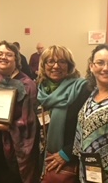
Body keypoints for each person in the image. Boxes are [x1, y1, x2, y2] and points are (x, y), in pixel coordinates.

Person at [0, 40, 40, 183]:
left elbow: (30, 119)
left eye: (9, 54)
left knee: (11, 177)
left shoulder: (27, 84)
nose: (3, 57)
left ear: (16, 60)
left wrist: (9, 127)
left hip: (13, 140)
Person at [73, 44, 108, 183]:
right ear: (92, 67)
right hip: (89, 173)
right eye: (100, 63)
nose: (105, 68)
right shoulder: (92, 94)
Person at [37, 45, 90, 183]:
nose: (56, 66)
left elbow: (86, 128)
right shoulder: (39, 90)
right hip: (43, 155)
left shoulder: (82, 88)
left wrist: (66, 153)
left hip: (68, 157)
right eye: (50, 61)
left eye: (62, 62)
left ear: (69, 65)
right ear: (44, 65)